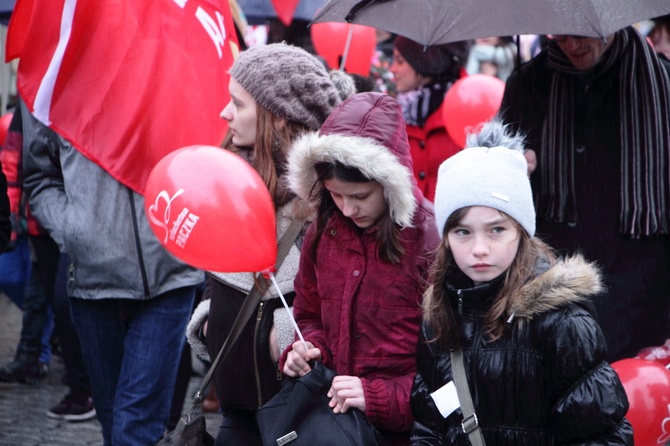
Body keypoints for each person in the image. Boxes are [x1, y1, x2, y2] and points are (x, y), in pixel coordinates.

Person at [410, 119, 633, 444]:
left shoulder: (563, 324)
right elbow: (429, 426)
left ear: (522, 230)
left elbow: (603, 436)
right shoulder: (440, 315)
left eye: (496, 229)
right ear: (445, 238)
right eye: (462, 232)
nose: (480, 249)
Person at [185, 42, 355, 446]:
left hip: (294, 407)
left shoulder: (325, 200)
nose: (225, 113)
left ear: (277, 118)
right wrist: (212, 319)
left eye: (237, 103)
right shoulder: (229, 176)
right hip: (234, 401)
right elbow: (218, 270)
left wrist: (278, 338)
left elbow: (335, 304)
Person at [22, 99, 204, 443]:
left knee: (134, 427)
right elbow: (39, 176)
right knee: (114, 423)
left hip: (168, 276)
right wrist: (75, 232)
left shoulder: (172, 61)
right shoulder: (56, 72)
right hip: (93, 281)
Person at [499, 26, 670, 362]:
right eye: (560, 37)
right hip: (555, 282)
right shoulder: (529, 82)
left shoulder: (661, 82)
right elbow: (498, 190)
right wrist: (514, 167)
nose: (572, 46)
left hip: (642, 287)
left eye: (581, 34)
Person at [281, 92, 441, 446]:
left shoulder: (431, 239)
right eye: (336, 195)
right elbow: (308, 312)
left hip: (411, 434)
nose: (348, 209)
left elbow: (452, 369)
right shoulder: (325, 229)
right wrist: (307, 348)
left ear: (389, 182)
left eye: (360, 196)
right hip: (333, 426)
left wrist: (381, 397)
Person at [390, 36, 468, 202]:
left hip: (452, 221)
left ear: (424, 64)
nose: (392, 69)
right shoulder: (392, 112)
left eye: (400, 61)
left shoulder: (468, 107)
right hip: (408, 223)